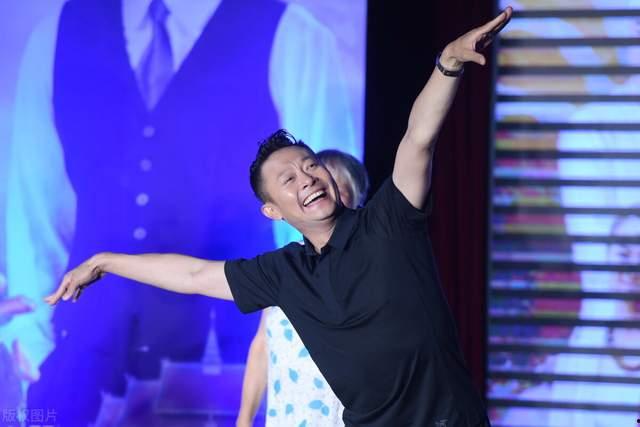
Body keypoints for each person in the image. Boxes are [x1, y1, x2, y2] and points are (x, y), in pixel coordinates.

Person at [45, 8, 512, 426]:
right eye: (289, 179)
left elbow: (418, 139)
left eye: (311, 166)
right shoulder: (285, 273)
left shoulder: (388, 223)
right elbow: (191, 275)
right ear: (272, 210)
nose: (307, 179)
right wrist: (105, 261)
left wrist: (448, 63)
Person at [5, 0, 361, 423]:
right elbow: (36, 218)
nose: (308, 180)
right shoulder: (58, 34)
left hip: (225, 375)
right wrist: (40, 342)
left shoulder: (292, 33)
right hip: (82, 363)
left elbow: (333, 211)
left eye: (310, 170)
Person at [236, 149, 369, 427]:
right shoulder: (283, 267)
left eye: (339, 189)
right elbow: (262, 347)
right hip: (288, 415)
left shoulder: (370, 265)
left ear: (357, 199)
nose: (316, 189)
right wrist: (244, 419)